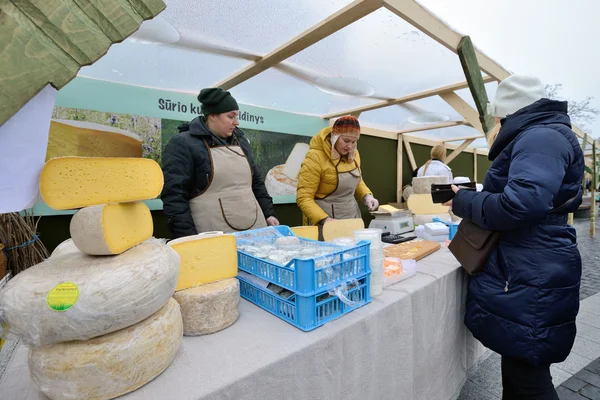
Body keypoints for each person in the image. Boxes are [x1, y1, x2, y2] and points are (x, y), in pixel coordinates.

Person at [445, 74, 584, 399]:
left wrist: (464, 201)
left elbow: (522, 203)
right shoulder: (544, 134)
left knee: (528, 379)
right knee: (520, 369)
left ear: (508, 111)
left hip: (531, 265)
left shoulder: (540, 138)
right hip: (534, 260)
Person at [161, 88, 279, 238]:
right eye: (231, 116)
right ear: (213, 115)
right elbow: (175, 194)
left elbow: (256, 181)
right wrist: (188, 236)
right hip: (213, 233)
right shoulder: (183, 143)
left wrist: (268, 213)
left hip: (254, 229)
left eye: (237, 116)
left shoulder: (241, 141)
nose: (236, 122)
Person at [296, 116, 379, 225]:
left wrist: (367, 196)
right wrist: (325, 219)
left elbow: (357, 179)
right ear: (335, 136)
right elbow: (304, 198)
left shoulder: (354, 153)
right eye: (346, 140)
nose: (349, 146)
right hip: (325, 222)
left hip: (352, 217)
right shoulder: (315, 157)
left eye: (354, 142)